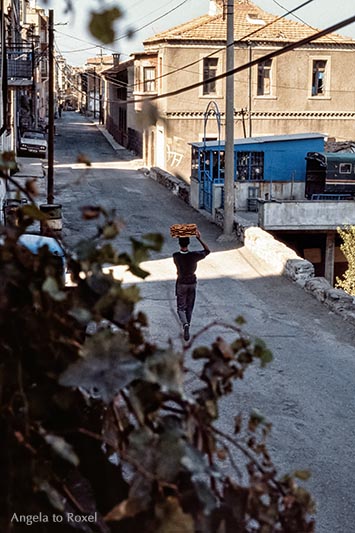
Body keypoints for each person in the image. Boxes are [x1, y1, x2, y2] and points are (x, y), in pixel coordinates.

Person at [173, 228, 210, 341]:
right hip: (192, 283)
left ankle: (185, 325)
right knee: (190, 307)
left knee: (181, 308)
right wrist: (199, 238)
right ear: (189, 243)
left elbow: (181, 253)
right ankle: (187, 324)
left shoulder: (176, 256)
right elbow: (207, 251)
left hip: (181, 283)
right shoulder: (194, 255)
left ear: (179, 244)